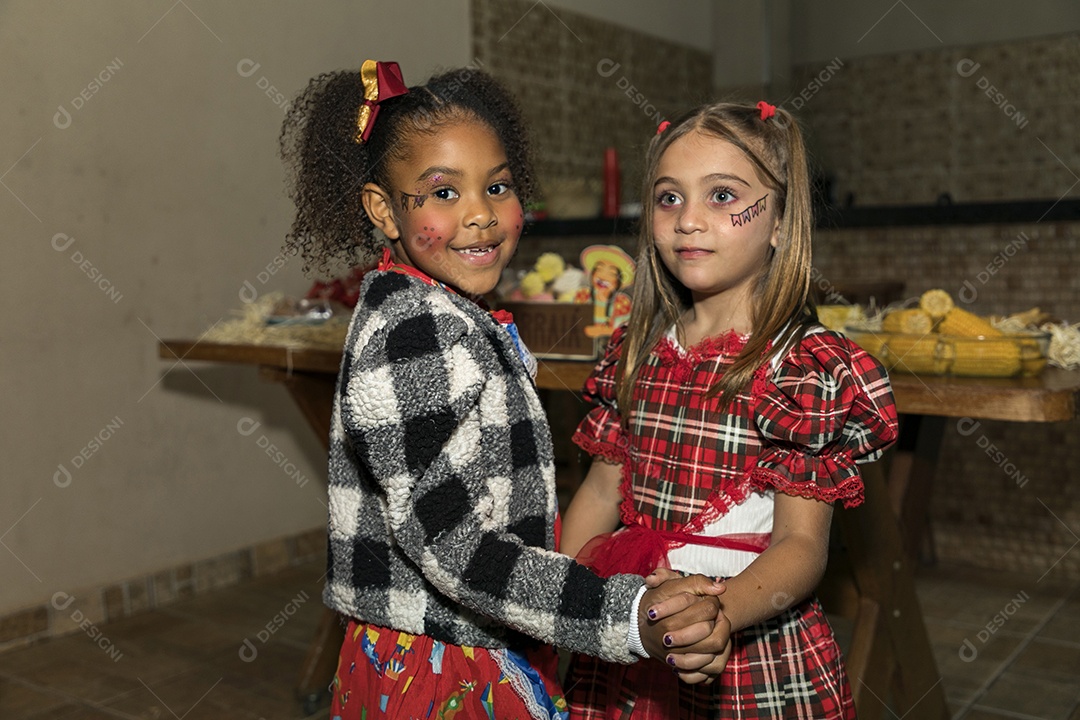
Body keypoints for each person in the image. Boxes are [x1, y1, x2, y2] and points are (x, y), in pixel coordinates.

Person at [279, 60, 730, 720]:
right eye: (441, 193)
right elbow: (456, 548)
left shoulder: (444, 310)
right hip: (439, 667)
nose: (481, 216)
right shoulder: (415, 331)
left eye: (496, 186)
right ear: (382, 208)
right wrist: (625, 615)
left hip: (466, 643)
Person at [560, 101, 900, 719]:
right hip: (632, 628)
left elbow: (801, 546)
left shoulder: (805, 370)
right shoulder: (634, 351)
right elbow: (599, 494)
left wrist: (717, 617)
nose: (689, 220)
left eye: (722, 196)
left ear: (778, 221)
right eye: (669, 198)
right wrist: (560, 599)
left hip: (744, 645)